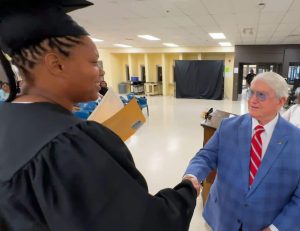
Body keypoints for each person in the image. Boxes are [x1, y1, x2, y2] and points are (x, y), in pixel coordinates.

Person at [0, 1, 200, 231]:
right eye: (94, 62)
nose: (102, 71)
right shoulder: (70, 144)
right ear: (56, 64)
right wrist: (187, 191)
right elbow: (143, 224)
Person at [184, 72, 300, 231]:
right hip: (222, 218)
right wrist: (192, 175)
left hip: (264, 223)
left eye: (261, 95)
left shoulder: (296, 140)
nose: (252, 100)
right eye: (251, 92)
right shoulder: (228, 127)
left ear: (281, 101)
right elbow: (205, 156)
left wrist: (276, 228)